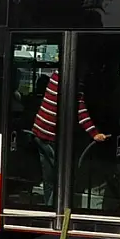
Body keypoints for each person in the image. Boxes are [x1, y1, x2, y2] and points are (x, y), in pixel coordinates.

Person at [32, 67, 109, 197]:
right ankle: (54, 209)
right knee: (60, 179)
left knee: (49, 179)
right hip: (50, 135)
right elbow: (80, 110)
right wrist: (94, 133)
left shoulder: (59, 74)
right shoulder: (72, 79)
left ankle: (49, 207)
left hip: (40, 131)